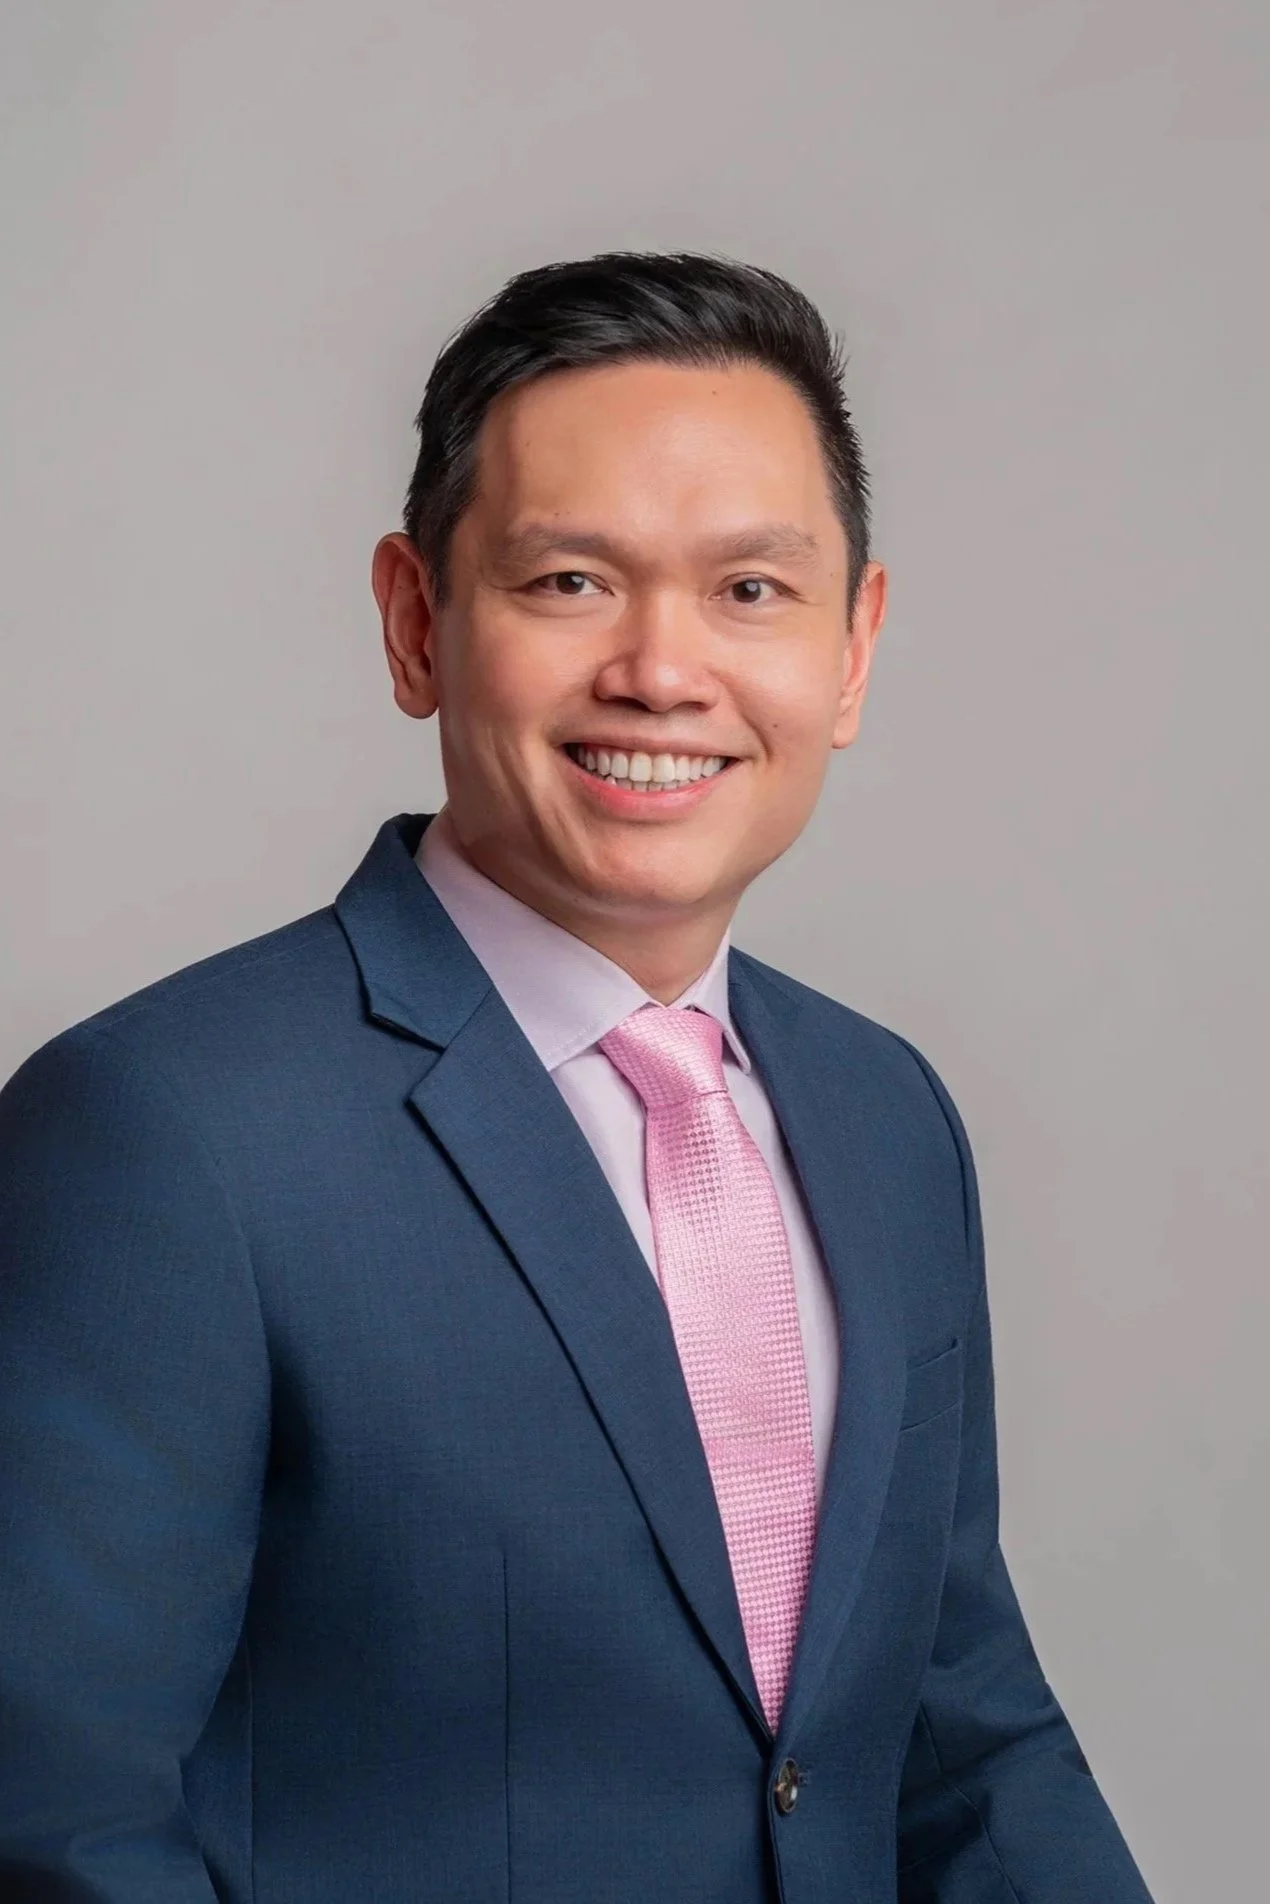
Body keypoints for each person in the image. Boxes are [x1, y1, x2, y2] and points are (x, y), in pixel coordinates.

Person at [0, 251, 1154, 1902]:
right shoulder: (165, 1135)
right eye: (567, 584)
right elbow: (55, 1824)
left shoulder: (885, 1115)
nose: (662, 672)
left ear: (851, 650)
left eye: (750, 592)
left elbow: (958, 1728)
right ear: (415, 621)